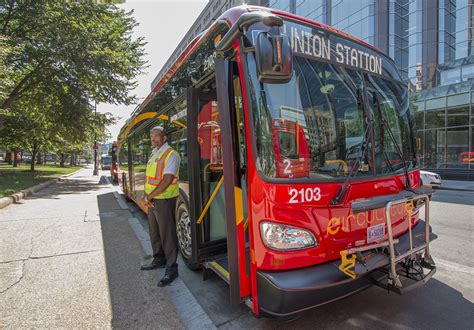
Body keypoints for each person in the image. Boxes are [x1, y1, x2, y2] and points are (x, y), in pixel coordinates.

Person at [141, 126, 181, 287]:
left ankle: (172, 268)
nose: (153, 139)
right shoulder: (154, 154)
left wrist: (150, 196)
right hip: (153, 200)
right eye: (152, 136)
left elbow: (167, 179)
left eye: (156, 136)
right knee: (154, 232)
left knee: (167, 234)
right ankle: (159, 259)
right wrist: (147, 196)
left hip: (165, 200)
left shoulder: (171, 154)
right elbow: (149, 178)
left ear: (164, 137)